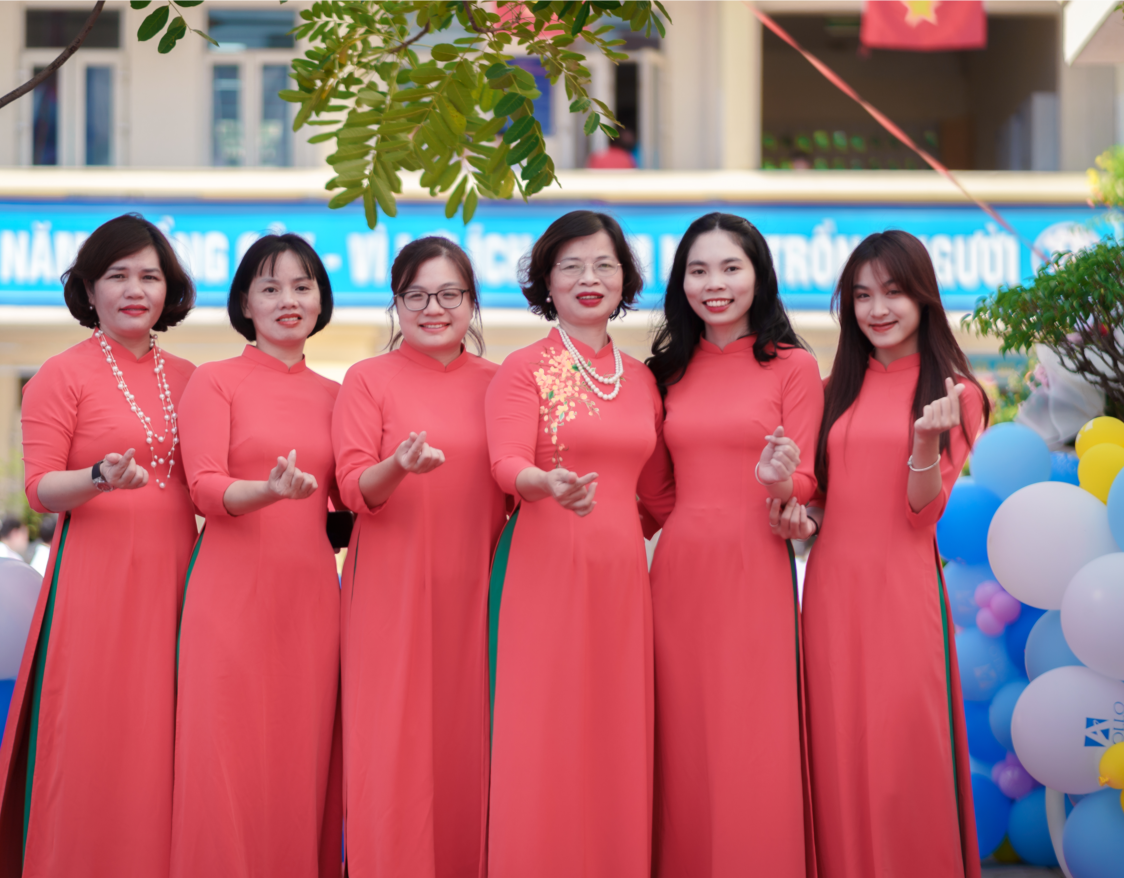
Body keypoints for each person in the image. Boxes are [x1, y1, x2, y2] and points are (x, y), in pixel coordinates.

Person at [0, 214, 197, 878]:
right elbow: (40, 489)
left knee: (171, 741)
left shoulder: (194, 378)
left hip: (183, 582)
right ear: (90, 288)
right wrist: (98, 476)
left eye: (150, 276)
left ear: (169, 289)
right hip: (97, 586)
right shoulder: (60, 375)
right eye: (118, 275)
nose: (135, 290)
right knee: (97, 739)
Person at [769, 230, 989, 878]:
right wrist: (795, 515)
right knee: (837, 756)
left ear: (923, 296)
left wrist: (923, 442)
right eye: (862, 295)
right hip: (831, 596)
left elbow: (922, 513)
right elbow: (823, 504)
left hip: (903, 596)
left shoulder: (958, 395)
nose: (877, 309)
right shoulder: (832, 389)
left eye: (892, 292)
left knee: (902, 758)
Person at [483, 210, 667, 878]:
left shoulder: (642, 380)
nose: (589, 278)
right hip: (543, 571)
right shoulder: (524, 369)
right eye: (571, 266)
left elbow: (659, 495)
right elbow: (505, 464)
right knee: (545, 734)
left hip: (622, 578)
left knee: (615, 734)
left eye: (604, 265)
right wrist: (544, 482)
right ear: (546, 281)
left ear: (624, 280)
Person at [641, 213, 822, 877]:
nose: (714, 284)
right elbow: (655, 489)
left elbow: (804, 479)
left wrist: (779, 480)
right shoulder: (664, 373)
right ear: (680, 282)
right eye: (698, 270)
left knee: (754, 732)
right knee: (683, 736)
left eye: (730, 268)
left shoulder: (794, 367)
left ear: (759, 276)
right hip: (679, 571)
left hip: (756, 566)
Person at [332, 237, 507, 878]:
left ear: (472, 301)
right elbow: (353, 488)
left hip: (478, 592)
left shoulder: (502, 383)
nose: (434, 309)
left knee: (471, 747)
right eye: (417, 295)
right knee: (391, 750)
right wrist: (398, 465)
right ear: (396, 303)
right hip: (391, 593)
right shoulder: (367, 380)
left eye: (449, 294)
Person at [170, 234, 343, 878]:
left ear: (321, 299)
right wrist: (268, 491)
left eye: (301, 286)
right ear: (245, 302)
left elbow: (351, 496)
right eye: (270, 288)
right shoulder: (215, 381)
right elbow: (204, 487)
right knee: (223, 758)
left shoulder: (339, 394)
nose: (287, 300)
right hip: (228, 595)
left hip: (311, 599)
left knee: (301, 759)